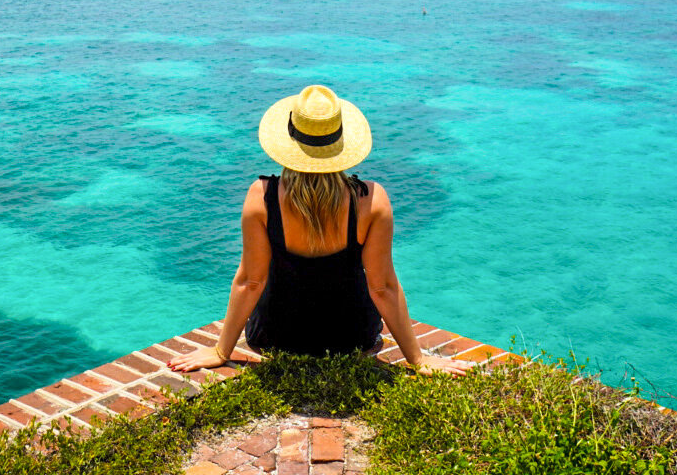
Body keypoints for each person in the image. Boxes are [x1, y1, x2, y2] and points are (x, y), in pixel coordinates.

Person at [168, 85, 465, 375]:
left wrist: (222, 352)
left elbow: (249, 282)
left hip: (275, 336)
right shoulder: (371, 200)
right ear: (341, 142)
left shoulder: (262, 196)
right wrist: (417, 359)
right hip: (351, 338)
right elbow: (383, 288)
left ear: (289, 138)